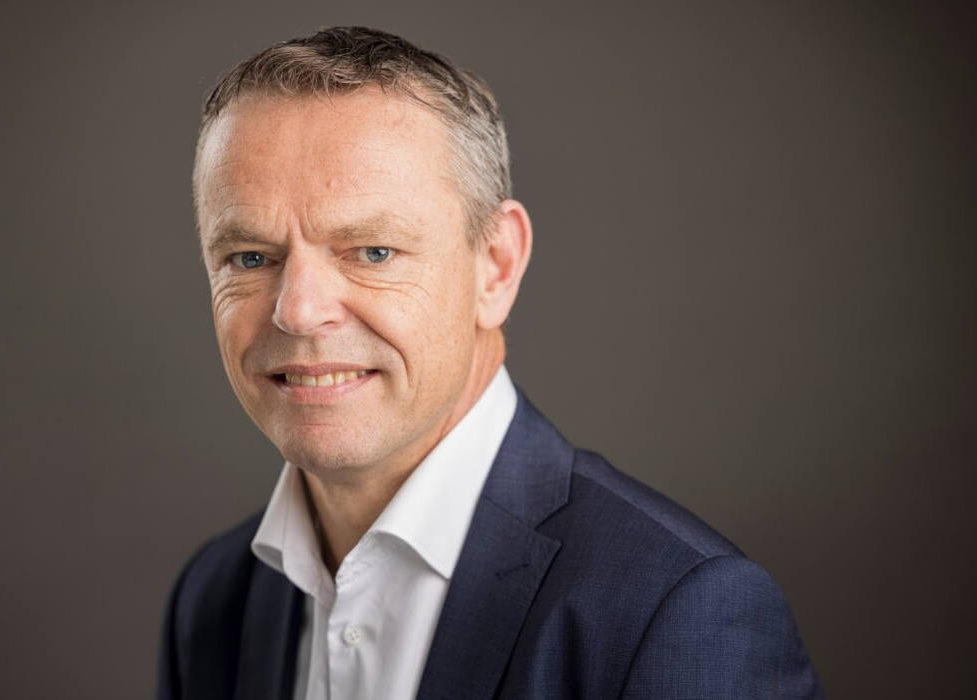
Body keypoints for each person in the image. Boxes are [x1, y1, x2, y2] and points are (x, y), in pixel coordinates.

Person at [158, 26, 824, 700]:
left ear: (497, 266)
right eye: (249, 257)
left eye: (373, 252)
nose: (298, 311)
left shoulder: (677, 613)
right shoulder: (212, 603)